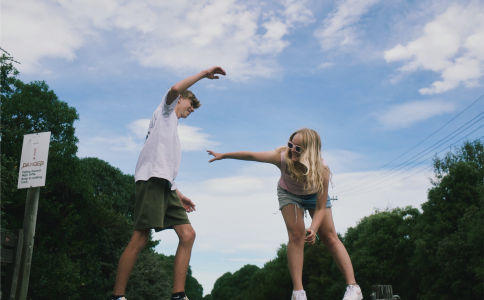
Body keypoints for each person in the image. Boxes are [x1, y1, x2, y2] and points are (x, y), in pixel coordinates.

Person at [111, 66, 226, 300]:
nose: (191, 110)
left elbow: (163, 165)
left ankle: (178, 295)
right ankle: (117, 296)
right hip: (151, 181)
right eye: (191, 105)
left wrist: (178, 193)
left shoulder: (171, 127)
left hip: (165, 185)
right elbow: (175, 88)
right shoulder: (165, 111)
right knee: (140, 237)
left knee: (188, 234)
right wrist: (204, 74)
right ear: (181, 100)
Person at [207, 128, 363, 300]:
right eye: (291, 145)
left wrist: (314, 228)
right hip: (289, 193)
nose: (292, 150)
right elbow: (252, 156)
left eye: (298, 148)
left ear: (310, 152)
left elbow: (320, 208)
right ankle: (298, 293)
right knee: (296, 235)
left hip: (314, 196)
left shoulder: (322, 170)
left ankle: (353, 288)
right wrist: (224, 155)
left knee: (330, 237)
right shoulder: (281, 157)